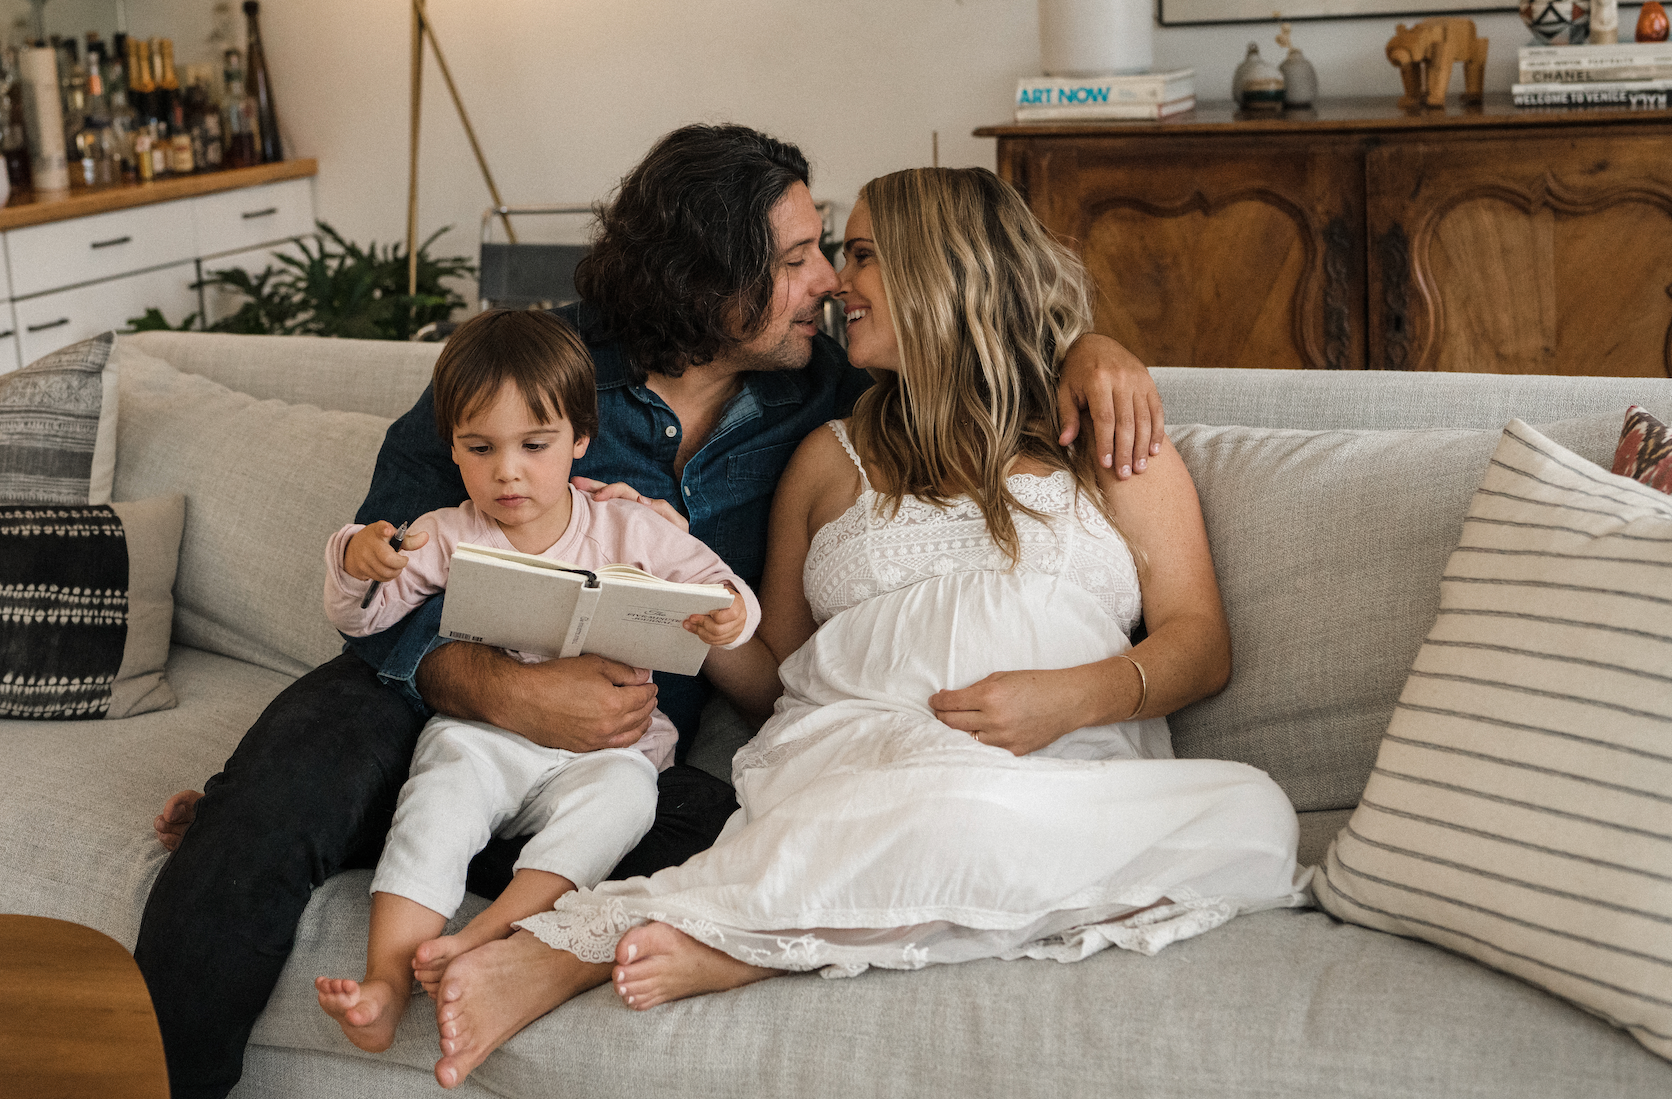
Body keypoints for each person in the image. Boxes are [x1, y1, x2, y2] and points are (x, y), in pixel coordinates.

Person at [134, 125, 1166, 1099]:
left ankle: (360, 829)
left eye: (830, 253)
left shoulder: (824, 386)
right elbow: (386, 564)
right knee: (273, 808)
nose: (829, 284)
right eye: (802, 258)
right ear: (714, 283)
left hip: (621, 754)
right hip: (423, 690)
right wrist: (509, 689)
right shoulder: (525, 368)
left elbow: (971, 329)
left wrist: (1091, 349)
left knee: (740, 852)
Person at [423, 167, 1306, 1091]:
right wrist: (680, 601)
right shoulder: (825, 456)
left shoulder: (1106, 438)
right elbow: (776, 681)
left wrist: (1070, 697)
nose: (839, 282)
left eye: (863, 254)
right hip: (862, 759)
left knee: (1255, 815)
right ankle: (615, 946)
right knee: (938, 805)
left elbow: (1198, 643)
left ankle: (743, 936)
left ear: (946, 267)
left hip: (1062, 777)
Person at [313, 309, 760, 1052]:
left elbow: (719, 587)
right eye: (479, 449)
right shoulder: (448, 533)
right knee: (440, 786)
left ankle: (486, 936)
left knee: (629, 796)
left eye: (534, 445)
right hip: (490, 739)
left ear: (580, 438)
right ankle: (386, 981)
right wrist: (357, 558)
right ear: (452, 447)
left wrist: (726, 614)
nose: (507, 471)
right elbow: (364, 619)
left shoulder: (629, 527)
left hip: (606, 753)